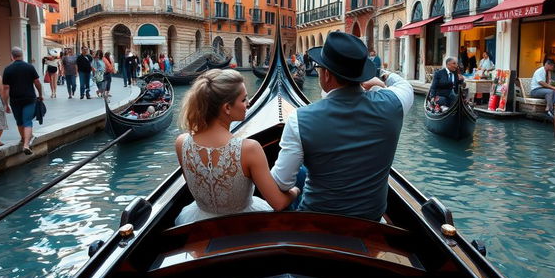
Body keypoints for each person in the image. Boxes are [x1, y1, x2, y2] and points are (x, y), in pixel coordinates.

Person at [271, 32, 414, 222]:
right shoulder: (394, 104)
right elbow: (404, 85)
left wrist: (296, 191)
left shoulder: (299, 119)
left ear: (327, 74)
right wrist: (381, 76)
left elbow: (280, 182)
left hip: (317, 221)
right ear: (361, 74)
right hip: (372, 221)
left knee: (301, 175)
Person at [175, 69, 300, 224]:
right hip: (243, 225)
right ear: (227, 108)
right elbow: (279, 203)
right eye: (244, 100)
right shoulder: (249, 149)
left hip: (198, 224)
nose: (249, 104)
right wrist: (296, 190)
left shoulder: (181, 143)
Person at [2, 46, 43, 155]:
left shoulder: (8, 69)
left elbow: (6, 88)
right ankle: (26, 144)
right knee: (28, 121)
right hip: (29, 98)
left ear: (12, 56)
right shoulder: (29, 67)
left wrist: (5, 103)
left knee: (19, 121)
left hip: (15, 100)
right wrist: (40, 94)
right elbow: (37, 82)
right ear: (22, 55)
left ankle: (23, 139)